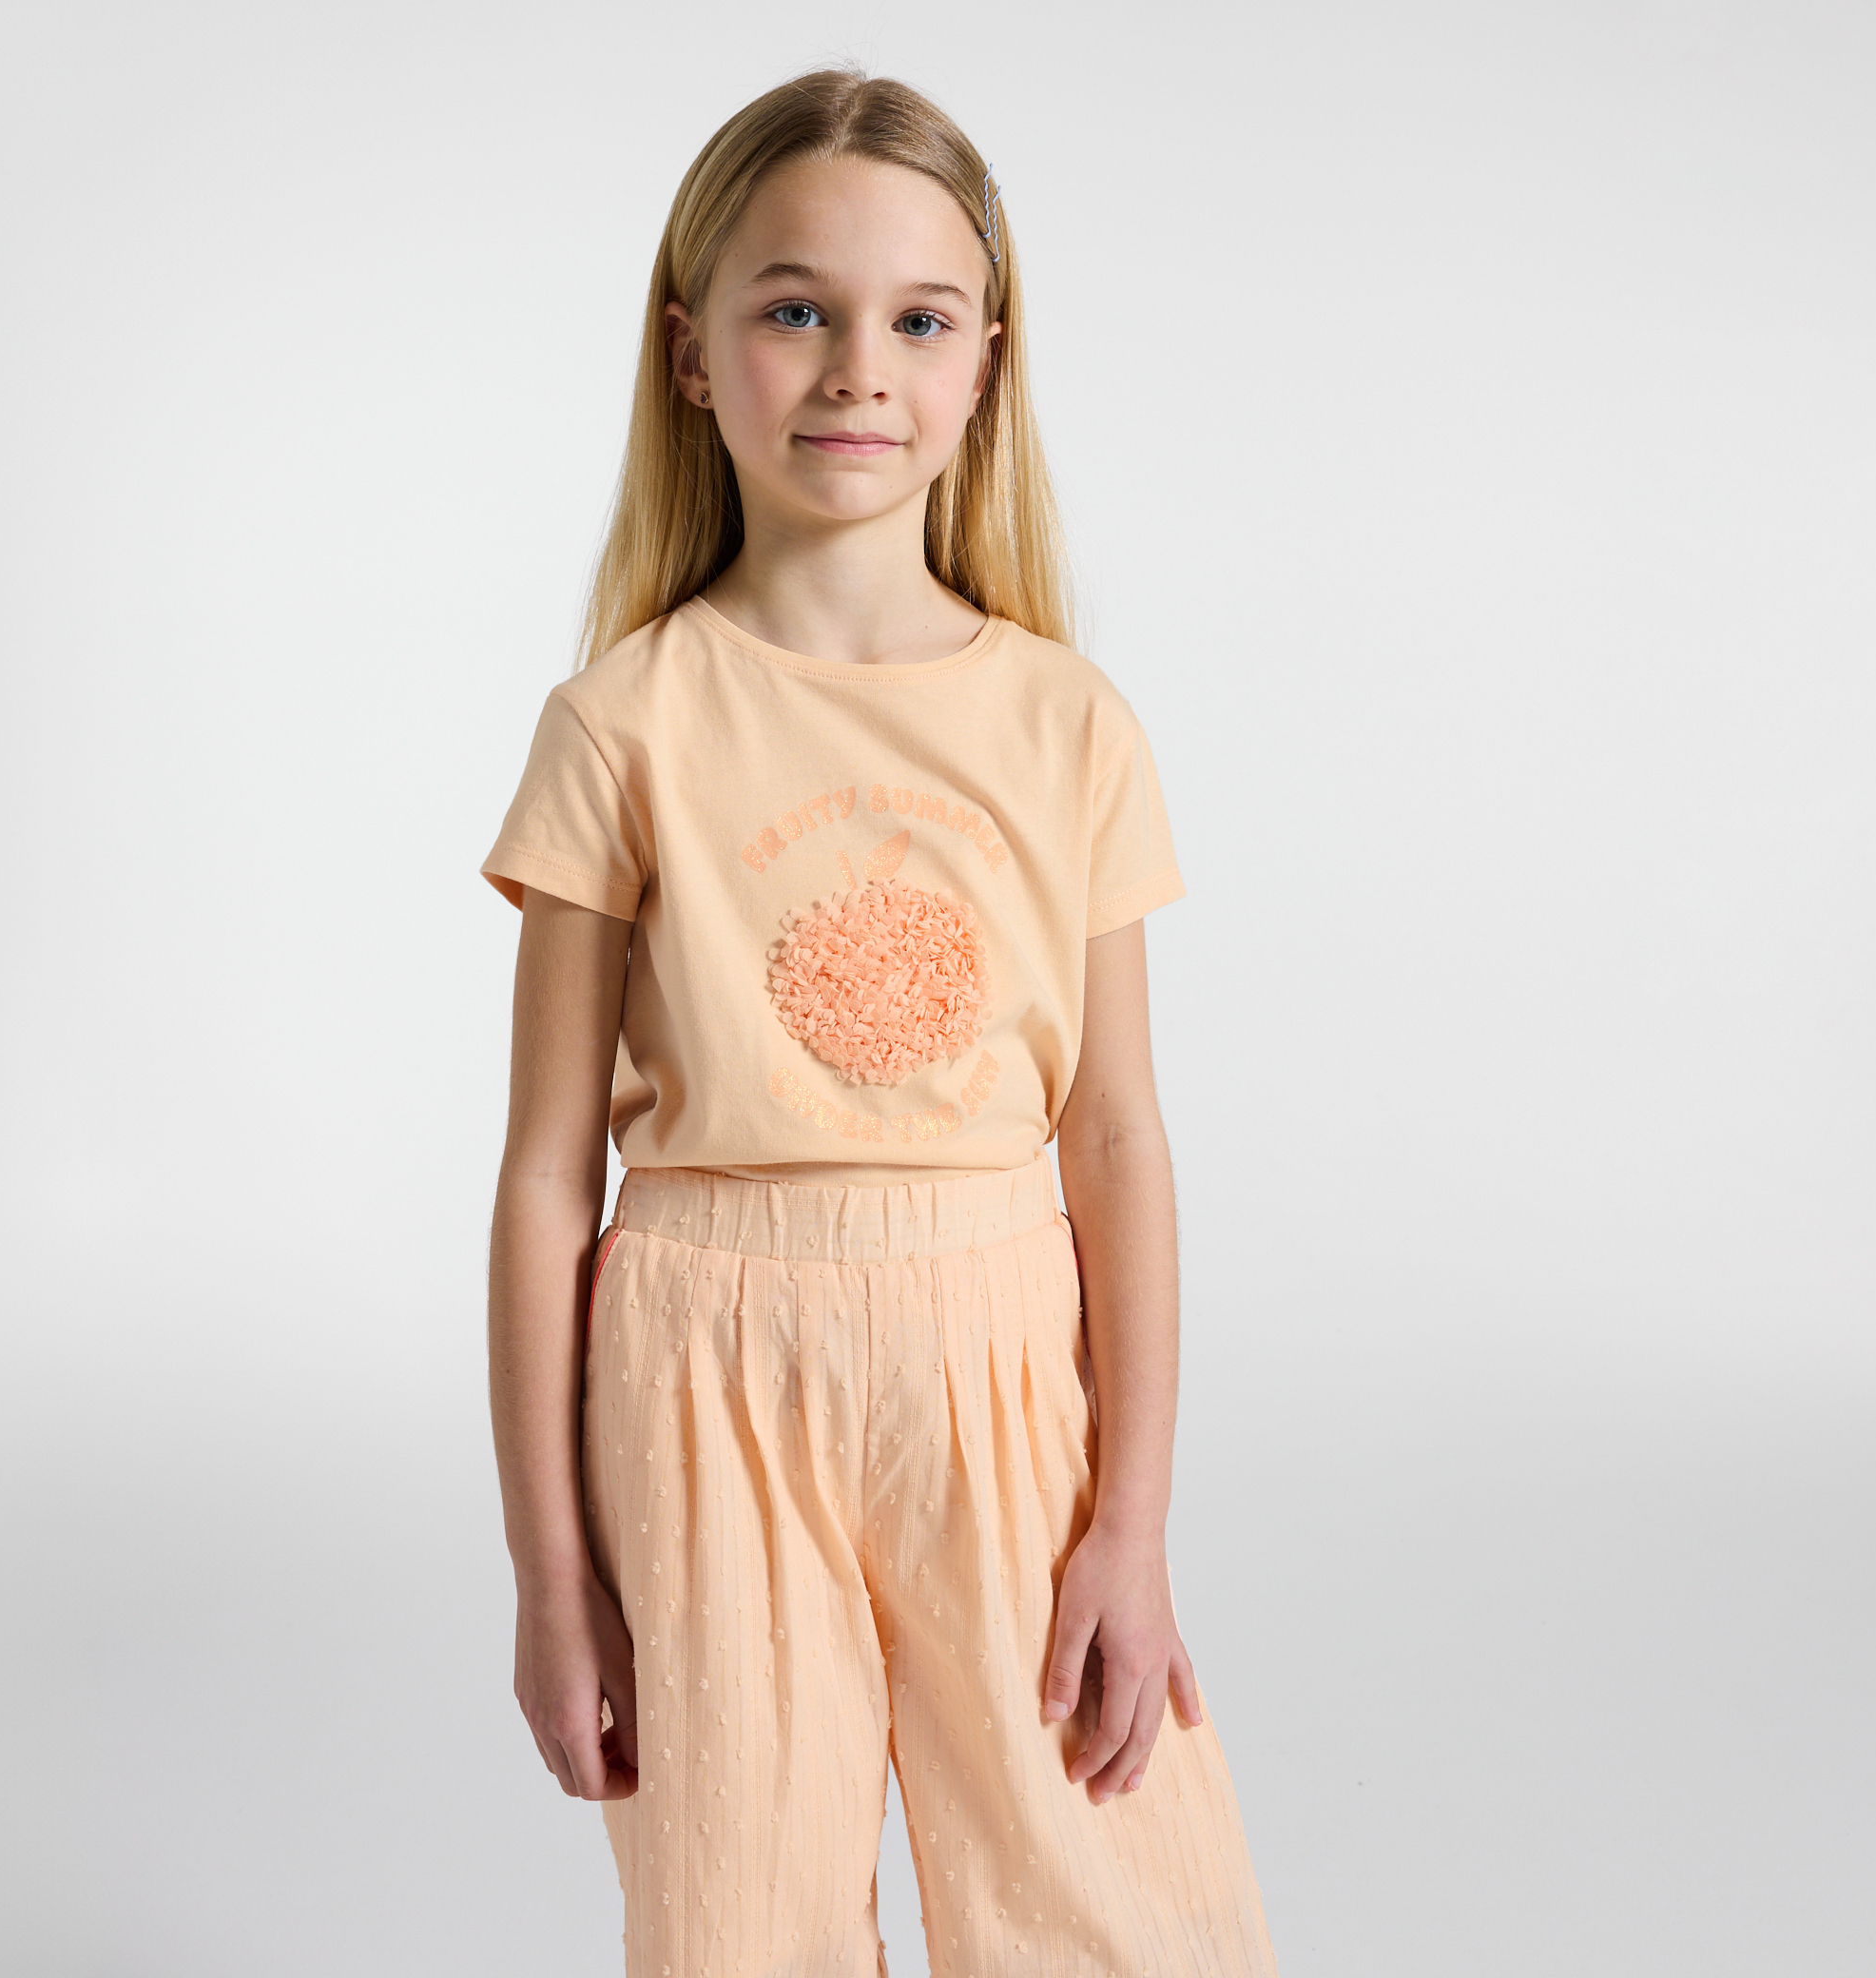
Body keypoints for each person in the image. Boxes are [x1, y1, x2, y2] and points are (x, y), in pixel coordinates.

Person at [479, 65, 1279, 1978]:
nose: (858, 369)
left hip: (998, 1359)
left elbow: (1114, 1137)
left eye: (920, 319)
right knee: (737, 1916)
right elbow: (542, 1176)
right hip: (701, 1375)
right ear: (692, 354)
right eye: (795, 309)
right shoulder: (621, 725)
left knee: (1108, 1894)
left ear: (987, 360)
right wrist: (551, 1576)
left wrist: (1134, 1523)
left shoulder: (1067, 722)